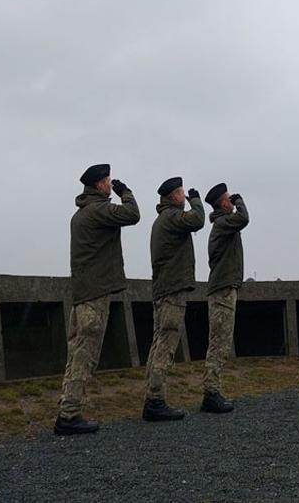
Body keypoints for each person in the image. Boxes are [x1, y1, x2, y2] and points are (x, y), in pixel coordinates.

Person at [54, 164, 140, 435]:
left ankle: (67, 409)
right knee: (85, 355)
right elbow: (132, 214)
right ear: (101, 185)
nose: (111, 185)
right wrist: (126, 192)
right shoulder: (98, 210)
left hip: (82, 293)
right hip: (94, 294)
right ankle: (69, 415)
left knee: (76, 354)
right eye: (109, 182)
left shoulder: (80, 214)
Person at [142, 176, 204, 421]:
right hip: (171, 290)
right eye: (182, 193)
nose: (185, 197)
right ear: (174, 197)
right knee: (165, 346)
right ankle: (155, 401)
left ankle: (152, 397)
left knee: (158, 343)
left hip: (164, 289)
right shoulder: (170, 217)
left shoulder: (162, 219)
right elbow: (197, 220)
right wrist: (197, 200)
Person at [202, 182, 250, 413]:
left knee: (220, 342)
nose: (233, 201)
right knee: (219, 343)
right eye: (230, 198)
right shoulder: (223, 223)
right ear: (224, 203)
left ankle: (212, 392)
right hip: (222, 291)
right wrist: (240, 203)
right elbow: (244, 218)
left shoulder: (223, 224)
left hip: (223, 288)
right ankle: (211, 393)